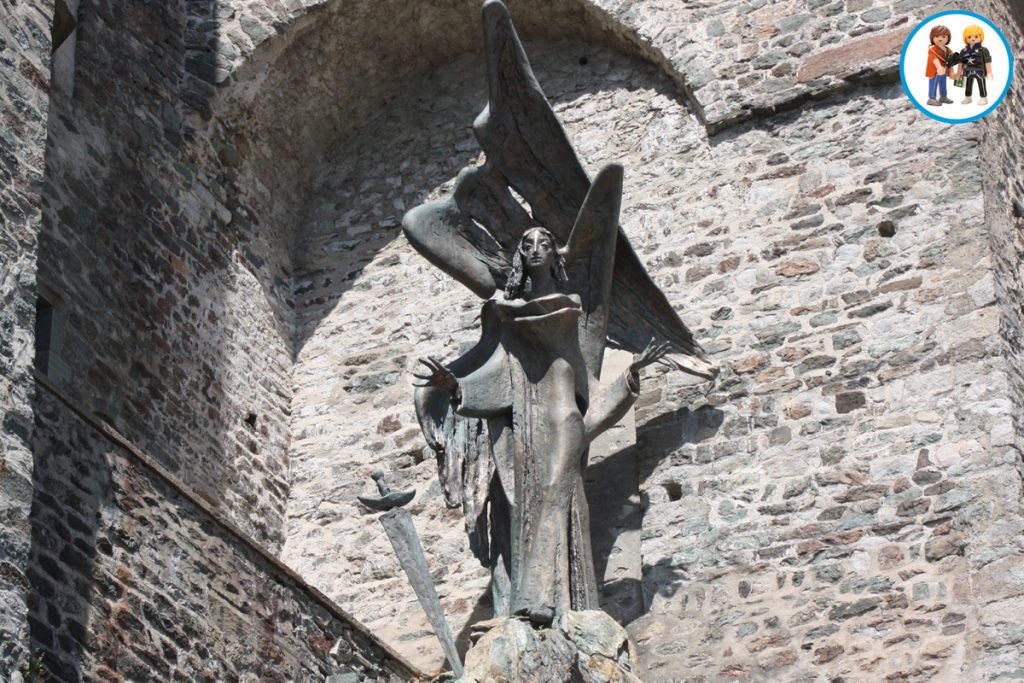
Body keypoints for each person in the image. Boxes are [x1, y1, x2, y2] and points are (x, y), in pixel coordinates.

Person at [413, 227, 671, 625]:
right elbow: (501, 375)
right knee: (527, 509)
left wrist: (629, 377)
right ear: (521, 255)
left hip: (564, 420)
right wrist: (457, 386)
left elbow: (587, 382)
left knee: (558, 497)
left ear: (556, 255)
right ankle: (540, 604)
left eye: (544, 244)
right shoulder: (508, 314)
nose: (535, 250)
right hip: (526, 426)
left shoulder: (570, 309)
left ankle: (553, 603)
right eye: (528, 244)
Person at [950, 24, 993, 105]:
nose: (973, 39)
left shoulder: (983, 50)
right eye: (969, 37)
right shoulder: (964, 50)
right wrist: (959, 73)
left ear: (981, 37)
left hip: (980, 70)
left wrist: (989, 72)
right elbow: (960, 62)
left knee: (981, 84)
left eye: (976, 37)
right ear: (965, 38)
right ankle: (968, 97)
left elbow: (987, 61)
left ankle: (984, 97)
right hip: (967, 70)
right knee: (968, 84)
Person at [925, 25, 953, 106]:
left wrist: (951, 71)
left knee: (943, 83)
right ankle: (931, 98)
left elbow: (951, 60)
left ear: (948, 38)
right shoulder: (932, 50)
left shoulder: (948, 50)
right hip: (934, 71)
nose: (940, 39)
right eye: (937, 36)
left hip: (944, 71)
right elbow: (934, 59)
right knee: (933, 83)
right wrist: (939, 67)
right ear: (932, 38)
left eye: (944, 37)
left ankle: (943, 96)